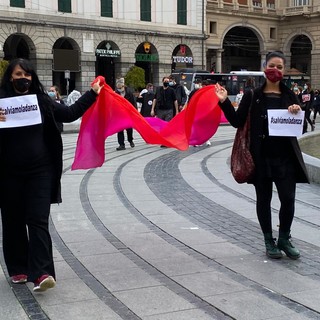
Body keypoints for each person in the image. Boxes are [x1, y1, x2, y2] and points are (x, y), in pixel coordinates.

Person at [0, 58, 102, 292]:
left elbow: (69, 113)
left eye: (27, 75)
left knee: (37, 220)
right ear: (10, 77)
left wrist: (92, 93)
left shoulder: (41, 100)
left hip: (40, 172)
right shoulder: (1, 102)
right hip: (8, 173)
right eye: (18, 75)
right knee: (13, 221)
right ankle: (18, 268)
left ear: (32, 77)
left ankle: (42, 273)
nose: (23, 79)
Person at [215, 51, 309, 260]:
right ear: (265, 67)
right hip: (261, 157)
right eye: (272, 66)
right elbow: (238, 121)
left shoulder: (289, 95)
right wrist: (223, 102)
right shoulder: (252, 95)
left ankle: (284, 237)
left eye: (280, 67)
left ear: (284, 71)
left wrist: (296, 111)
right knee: (263, 200)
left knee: (288, 199)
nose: (275, 70)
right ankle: (269, 240)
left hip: (285, 158)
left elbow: (300, 128)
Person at [115, 77, 137, 150]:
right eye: (117, 83)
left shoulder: (128, 92)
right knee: (120, 129)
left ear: (122, 84)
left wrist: (135, 112)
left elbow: (133, 103)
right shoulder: (115, 93)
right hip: (119, 114)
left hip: (128, 114)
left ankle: (130, 140)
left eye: (119, 83)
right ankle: (121, 144)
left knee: (129, 129)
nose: (117, 85)